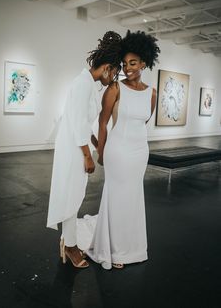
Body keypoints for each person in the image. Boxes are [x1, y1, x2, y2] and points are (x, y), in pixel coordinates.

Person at [46, 31, 122, 269]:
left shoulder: (88, 84)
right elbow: (77, 122)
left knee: (74, 195)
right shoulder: (82, 84)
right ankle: (69, 246)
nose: (113, 79)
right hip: (73, 150)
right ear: (107, 68)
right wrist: (88, 156)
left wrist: (94, 141)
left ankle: (69, 242)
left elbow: (81, 120)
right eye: (115, 73)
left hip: (76, 144)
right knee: (71, 195)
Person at [87, 30, 161, 269]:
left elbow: (145, 121)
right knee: (117, 198)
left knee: (133, 198)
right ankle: (116, 251)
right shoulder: (115, 89)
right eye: (125, 63)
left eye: (133, 63)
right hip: (117, 151)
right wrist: (101, 152)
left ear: (144, 63)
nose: (128, 68)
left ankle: (134, 248)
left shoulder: (152, 93)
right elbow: (102, 122)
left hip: (140, 152)